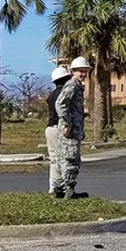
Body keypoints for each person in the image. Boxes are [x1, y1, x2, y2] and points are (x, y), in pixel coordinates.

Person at [53, 56, 92, 199]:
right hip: (69, 130)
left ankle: (59, 189)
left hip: (74, 129)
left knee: (63, 158)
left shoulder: (77, 86)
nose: (82, 74)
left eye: (85, 71)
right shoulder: (72, 85)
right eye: (79, 71)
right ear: (73, 71)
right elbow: (60, 104)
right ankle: (68, 189)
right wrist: (67, 123)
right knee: (71, 158)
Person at [45, 65, 71, 195]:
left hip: (49, 128)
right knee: (64, 158)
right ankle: (64, 187)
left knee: (53, 159)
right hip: (59, 127)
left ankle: (53, 187)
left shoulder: (51, 95)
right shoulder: (64, 94)